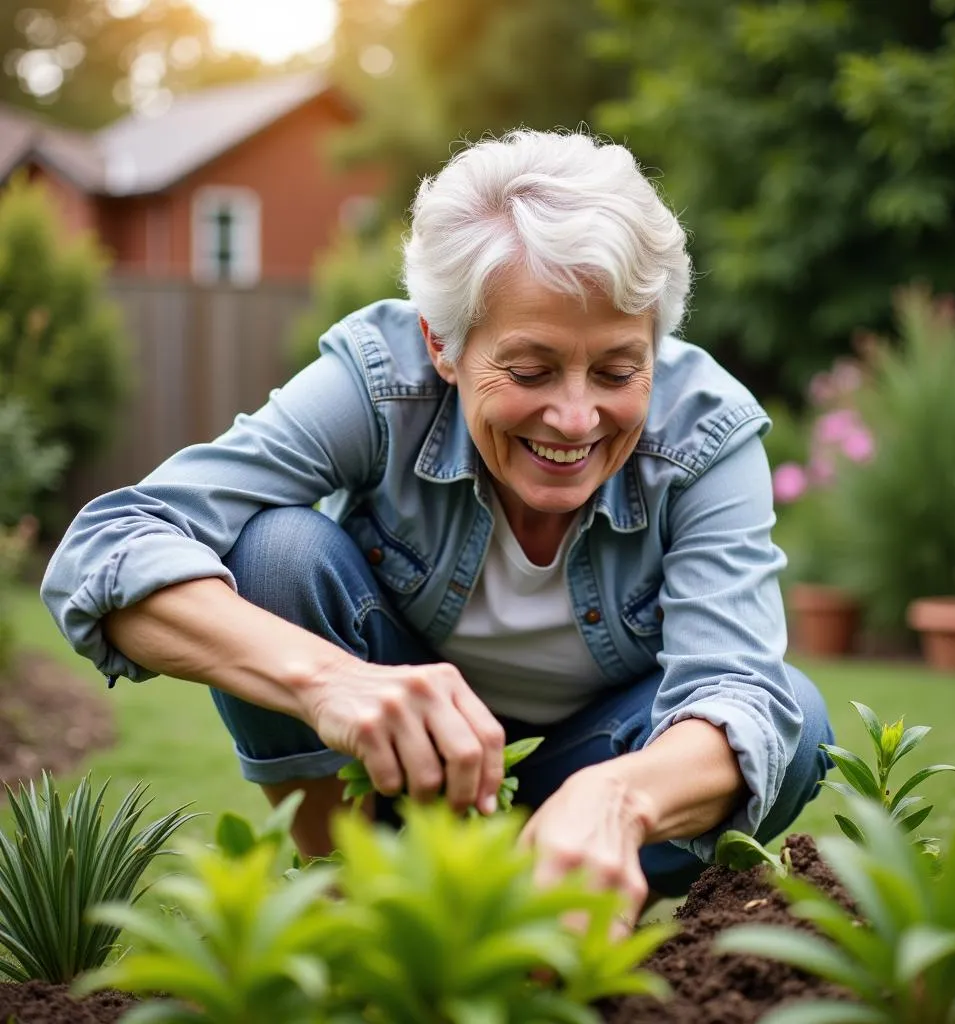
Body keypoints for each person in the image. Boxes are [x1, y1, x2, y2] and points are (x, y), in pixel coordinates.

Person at [41, 129, 833, 930]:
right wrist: (331, 683)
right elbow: (109, 547)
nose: (575, 416)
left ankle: (557, 913)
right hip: (393, 776)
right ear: (441, 344)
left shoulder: (706, 432)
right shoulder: (382, 381)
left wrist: (618, 797)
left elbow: (743, 694)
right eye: (529, 371)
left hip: (598, 762)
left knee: (793, 723)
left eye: (619, 370)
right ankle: (346, 904)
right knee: (275, 554)